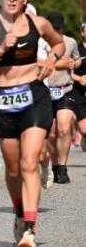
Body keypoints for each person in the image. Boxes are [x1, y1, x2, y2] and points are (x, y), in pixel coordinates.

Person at [0, 0, 64, 247]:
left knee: (29, 162)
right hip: (3, 100)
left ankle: (30, 230)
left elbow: (58, 44)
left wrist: (51, 61)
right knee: (13, 170)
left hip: (34, 98)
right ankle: (19, 212)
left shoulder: (38, 24)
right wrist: (0, 49)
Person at [39, 11, 81, 185]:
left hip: (65, 90)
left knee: (64, 129)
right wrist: (57, 63)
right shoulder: (40, 43)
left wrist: (73, 63)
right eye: (53, 27)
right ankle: (53, 165)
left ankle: (62, 168)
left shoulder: (70, 42)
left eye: (59, 28)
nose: (56, 30)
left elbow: (77, 60)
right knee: (51, 133)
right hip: (46, 92)